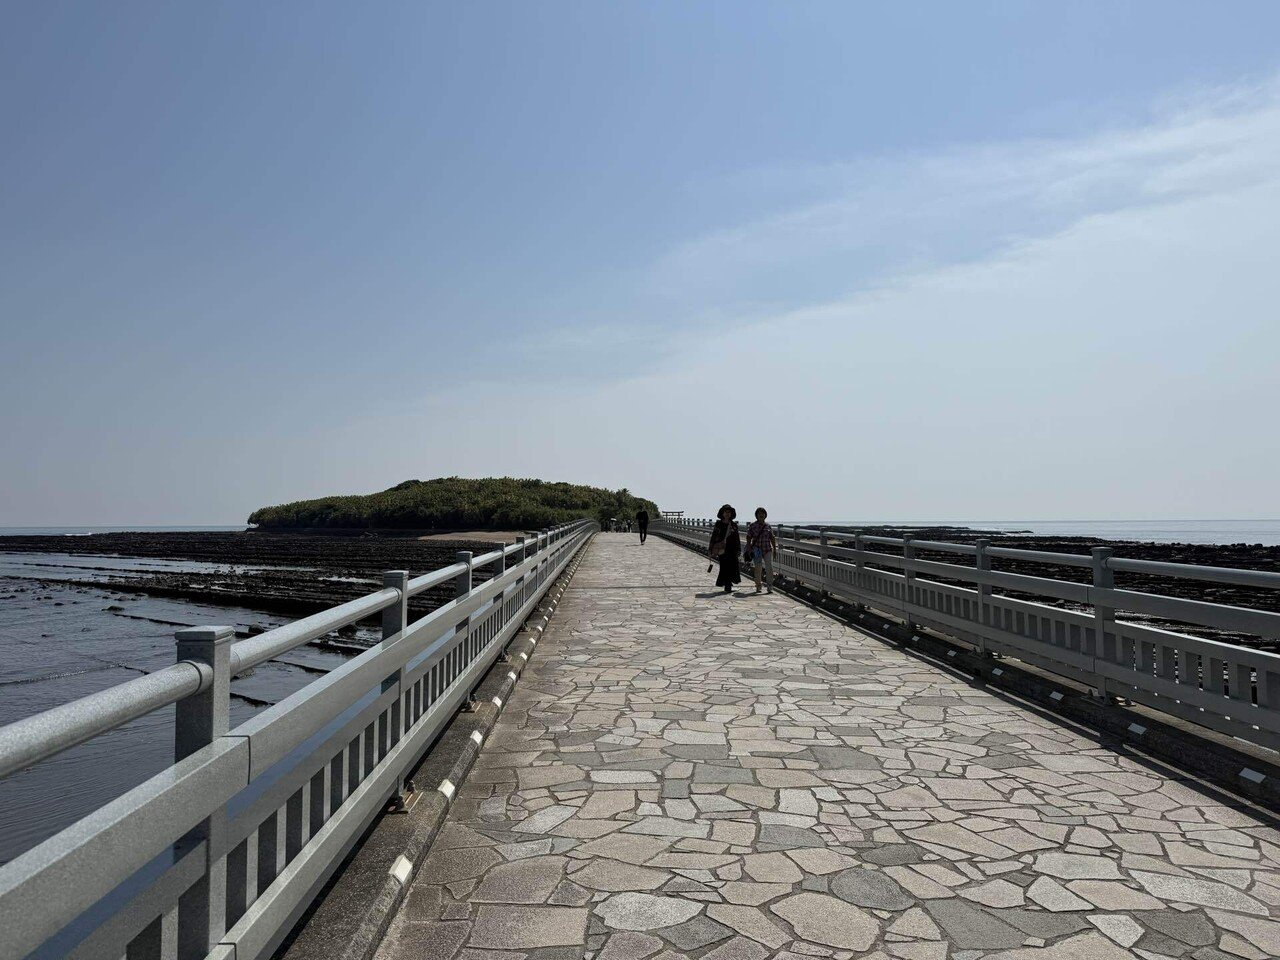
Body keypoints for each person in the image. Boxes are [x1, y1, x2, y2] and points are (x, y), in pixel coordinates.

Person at [708, 504, 741, 594]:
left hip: (732, 549)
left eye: (729, 512)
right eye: (725, 512)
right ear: (722, 513)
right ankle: (727, 585)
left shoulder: (734, 525)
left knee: (733, 566)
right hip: (722, 548)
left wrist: (739, 549)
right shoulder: (718, 524)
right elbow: (714, 537)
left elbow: (737, 537)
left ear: (731, 513)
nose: (727, 514)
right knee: (724, 566)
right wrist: (710, 549)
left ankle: (728, 584)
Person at [745, 506, 777, 594]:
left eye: (763, 513)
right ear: (756, 515)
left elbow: (772, 538)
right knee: (758, 568)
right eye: (759, 513)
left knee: (769, 567)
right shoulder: (753, 525)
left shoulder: (768, 526)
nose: (761, 515)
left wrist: (775, 549)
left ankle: (770, 586)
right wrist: (748, 548)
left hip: (767, 549)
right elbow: (748, 537)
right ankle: (758, 585)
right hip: (757, 549)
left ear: (765, 515)